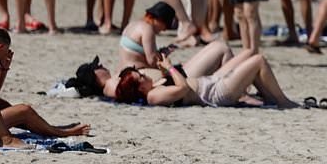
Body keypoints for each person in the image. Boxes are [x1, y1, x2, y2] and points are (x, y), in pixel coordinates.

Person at [116, 49, 298, 109]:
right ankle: (283, 101)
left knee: (250, 52)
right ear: (139, 88)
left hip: (210, 81)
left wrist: (165, 69)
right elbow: (183, 89)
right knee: (258, 61)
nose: (144, 74)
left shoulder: (154, 87)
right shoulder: (153, 96)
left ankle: (271, 98)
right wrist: (170, 68)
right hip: (215, 94)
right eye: (140, 77)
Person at [118, 2, 178, 70]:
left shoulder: (132, 24)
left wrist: (160, 53)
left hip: (121, 71)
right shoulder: (147, 29)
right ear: (159, 19)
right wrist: (164, 58)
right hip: (138, 72)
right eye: (166, 26)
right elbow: (152, 61)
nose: (164, 30)